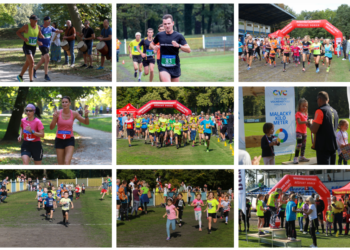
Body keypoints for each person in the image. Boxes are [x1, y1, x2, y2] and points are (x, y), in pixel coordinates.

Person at [150, 14, 191, 82]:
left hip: (175, 65)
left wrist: (179, 46)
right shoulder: (159, 35)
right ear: (163, 24)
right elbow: (151, 44)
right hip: (163, 65)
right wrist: (154, 47)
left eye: (169, 23)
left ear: (173, 23)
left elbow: (188, 49)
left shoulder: (179, 36)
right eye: (165, 24)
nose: (167, 26)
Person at [50, 96, 89, 165]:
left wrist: (86, 115)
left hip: (69, 139)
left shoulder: (74, 113)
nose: (64, 104)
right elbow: (51, 127)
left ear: (70, 103)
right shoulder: (57, 113)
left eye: (66, 102)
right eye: (63, 102)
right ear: (61, 104)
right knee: (60, 164)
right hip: (59, 139)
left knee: (67, 162)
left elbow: (86, 122)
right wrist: (54, 118)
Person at [308, 91, 339, 165]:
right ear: (328, 100)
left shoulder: (320, 111)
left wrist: (309, 123)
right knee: (331, 171)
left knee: (324, 170)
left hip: (323, 146)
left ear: (319, 99)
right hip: (333, 144)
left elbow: (314, 130)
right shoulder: (335, 111)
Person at [33, 16, 63, 81]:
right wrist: (38, 41)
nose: (49, 22)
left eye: (50, 21)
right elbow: (34, 36)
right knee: (47, 58)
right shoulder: (40, 28)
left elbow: (56, 30)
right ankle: (46, 75)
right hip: (42, 46)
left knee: (42, 60)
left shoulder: (51, 27)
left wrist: (59, 31)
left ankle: (34, 70)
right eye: (48, 21)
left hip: (47, 46)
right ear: (44, 21)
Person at [16, 15, 44, 82]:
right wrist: (23, 38)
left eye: (37, 20)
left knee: (27, 63)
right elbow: (18, 32)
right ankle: (31, 80)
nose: (36, 21)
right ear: (30, 20)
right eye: (35, 20)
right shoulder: (26, 26)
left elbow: (39, 35)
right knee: (32, 62)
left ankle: (20, 76)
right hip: (27, 46)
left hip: (33, 47)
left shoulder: (38, 27)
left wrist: (41, 38)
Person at [294, 98, 310, 164]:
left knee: (304, 145)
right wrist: (306, 121)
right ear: (299, 106)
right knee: (299, 144)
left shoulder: (306, 114)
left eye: (306, 106)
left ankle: (302, 156)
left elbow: (306, 123)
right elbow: (299, 122)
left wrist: (310, 125)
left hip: (304, 132)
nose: (304, 107)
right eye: (303, 106)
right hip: (298, 132)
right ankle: (295, 158)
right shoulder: (298, 113)